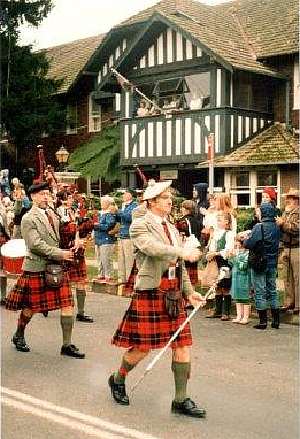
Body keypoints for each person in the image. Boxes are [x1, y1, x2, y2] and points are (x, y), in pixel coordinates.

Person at [110, 180, 207, 418]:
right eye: (164, 198)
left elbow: (180, 266)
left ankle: (180, 399)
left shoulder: (172, 227)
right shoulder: (139, 225)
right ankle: (118, 378)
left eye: (170, 197)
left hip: (174, 293)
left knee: (182, 346)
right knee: (142, 349)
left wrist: (189, 291)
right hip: (151, 292)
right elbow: (151, 247)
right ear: (152, 202)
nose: (170, 201)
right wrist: (180, 251)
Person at [5, 182, 85, 358]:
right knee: (31, 308)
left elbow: (59, 236)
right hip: (37, 267)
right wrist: (60, 254)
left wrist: (75, 241)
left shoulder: (52, 213)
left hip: (55, 267)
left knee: (67, 305)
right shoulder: (28, 218)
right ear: (33, 197)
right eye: (42, 194)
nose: (46, 197)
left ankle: (66, 345)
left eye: (47, 194)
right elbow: (35, 245)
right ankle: (19, 333)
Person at [242, 202, 280, 330]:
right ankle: (276, 321)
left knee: (260, 291)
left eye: (259, 211)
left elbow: (249, 244)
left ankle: (263, 322)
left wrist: (245, 238)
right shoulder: (276, 226)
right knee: (272, 290)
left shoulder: (259, 227)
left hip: (259, 262)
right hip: (272, 262)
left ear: (263, 213)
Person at [58, 192, 94, 323]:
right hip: (64, 251)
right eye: (68, 198)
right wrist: (73, 241)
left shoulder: (75, 211)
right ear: (62, 200)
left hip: (78, 252)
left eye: (71, 198)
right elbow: (61, 232)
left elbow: (81, 227)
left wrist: (83, 233)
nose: (71, 200)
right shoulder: (57, 213)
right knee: (61, 282)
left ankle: (81, 312)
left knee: (81, 281)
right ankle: (58, 306)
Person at [206, 212, 235, 320]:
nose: (217, 222)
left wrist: (216, 253)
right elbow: (212, 247)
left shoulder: (229, 234)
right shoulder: (216, 234)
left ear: (226, 222)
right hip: (216, 262)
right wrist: (210, 253)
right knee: (217, 286)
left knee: (226, 286)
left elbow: (228, 250)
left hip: (225, 262)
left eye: (220, 220)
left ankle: (226, 312)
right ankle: (217, 310)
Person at [276, 188, 299, 313]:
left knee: (297, 278)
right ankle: (289, 303)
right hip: (286, 247)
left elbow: (297, 228)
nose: (287, 200)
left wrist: (283, 224)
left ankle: (298, 306)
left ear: (296, 200)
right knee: (287, 278)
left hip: (297, 248)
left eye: (289, 198)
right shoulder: (286, 212)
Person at [176, 200, 201, 286]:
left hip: (186, 248)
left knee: (184, 273)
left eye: (182, 208)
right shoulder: (197, 221)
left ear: (186, 209)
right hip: (195, 248)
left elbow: (182, 234)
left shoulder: (183, 221)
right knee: (192, 273)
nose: (181, 210)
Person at [116, 190, 138, 285]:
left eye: (126, 193)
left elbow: (129, 217)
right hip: (122, 234)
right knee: (121, 258)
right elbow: (120, 218)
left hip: (129, 235)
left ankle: (129, 279)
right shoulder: (123, 205)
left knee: (129, 258)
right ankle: (122, 278)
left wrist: (118, 212)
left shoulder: (134, 205)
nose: (123, 195)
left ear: (131, 195)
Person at [94, 196, 117, 283]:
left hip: (107, 239)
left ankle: (108, 275)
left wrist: (97, 226)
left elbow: (109, 226)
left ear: (108, 203)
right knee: (99, 258)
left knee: (106, 258)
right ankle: (101, 275)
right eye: (101, 202)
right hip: (98, 239)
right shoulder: (100, 213)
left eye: (103, 202)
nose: (101, 204)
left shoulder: (110, 214)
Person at [229, 237, 251, 324]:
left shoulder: (247, 253)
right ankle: (239, 316)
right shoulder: (237, 252)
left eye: (236, 242)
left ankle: (245, 317)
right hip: (235, 277)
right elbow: (232, 264)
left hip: (244, 277)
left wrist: (235, 259)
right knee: (237, 297)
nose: (235, 244)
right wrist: (230, 257)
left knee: (244, 297)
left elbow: (244, 266)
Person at [0, 196, 10, 306]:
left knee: (3, 271)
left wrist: (8, 239)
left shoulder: (2, 211)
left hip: (2, 242)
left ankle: (3, 297)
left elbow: (6, 228)